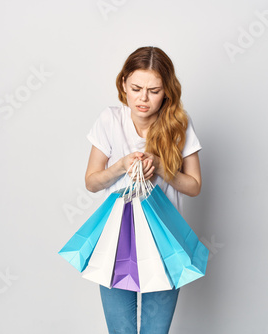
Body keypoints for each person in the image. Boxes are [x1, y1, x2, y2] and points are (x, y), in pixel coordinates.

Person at [84, 46, 202, 334]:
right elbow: (91, 181)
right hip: (117, 242)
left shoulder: (179, 125)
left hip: (164, 241)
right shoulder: (110, 120)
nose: (143, 98)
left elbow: (194, 186)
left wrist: (161, 166)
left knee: (155, 332)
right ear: (123, 83)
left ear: (167, 92)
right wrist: (122, 166)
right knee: (120, 331)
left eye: (154, 90)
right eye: (136, 88)